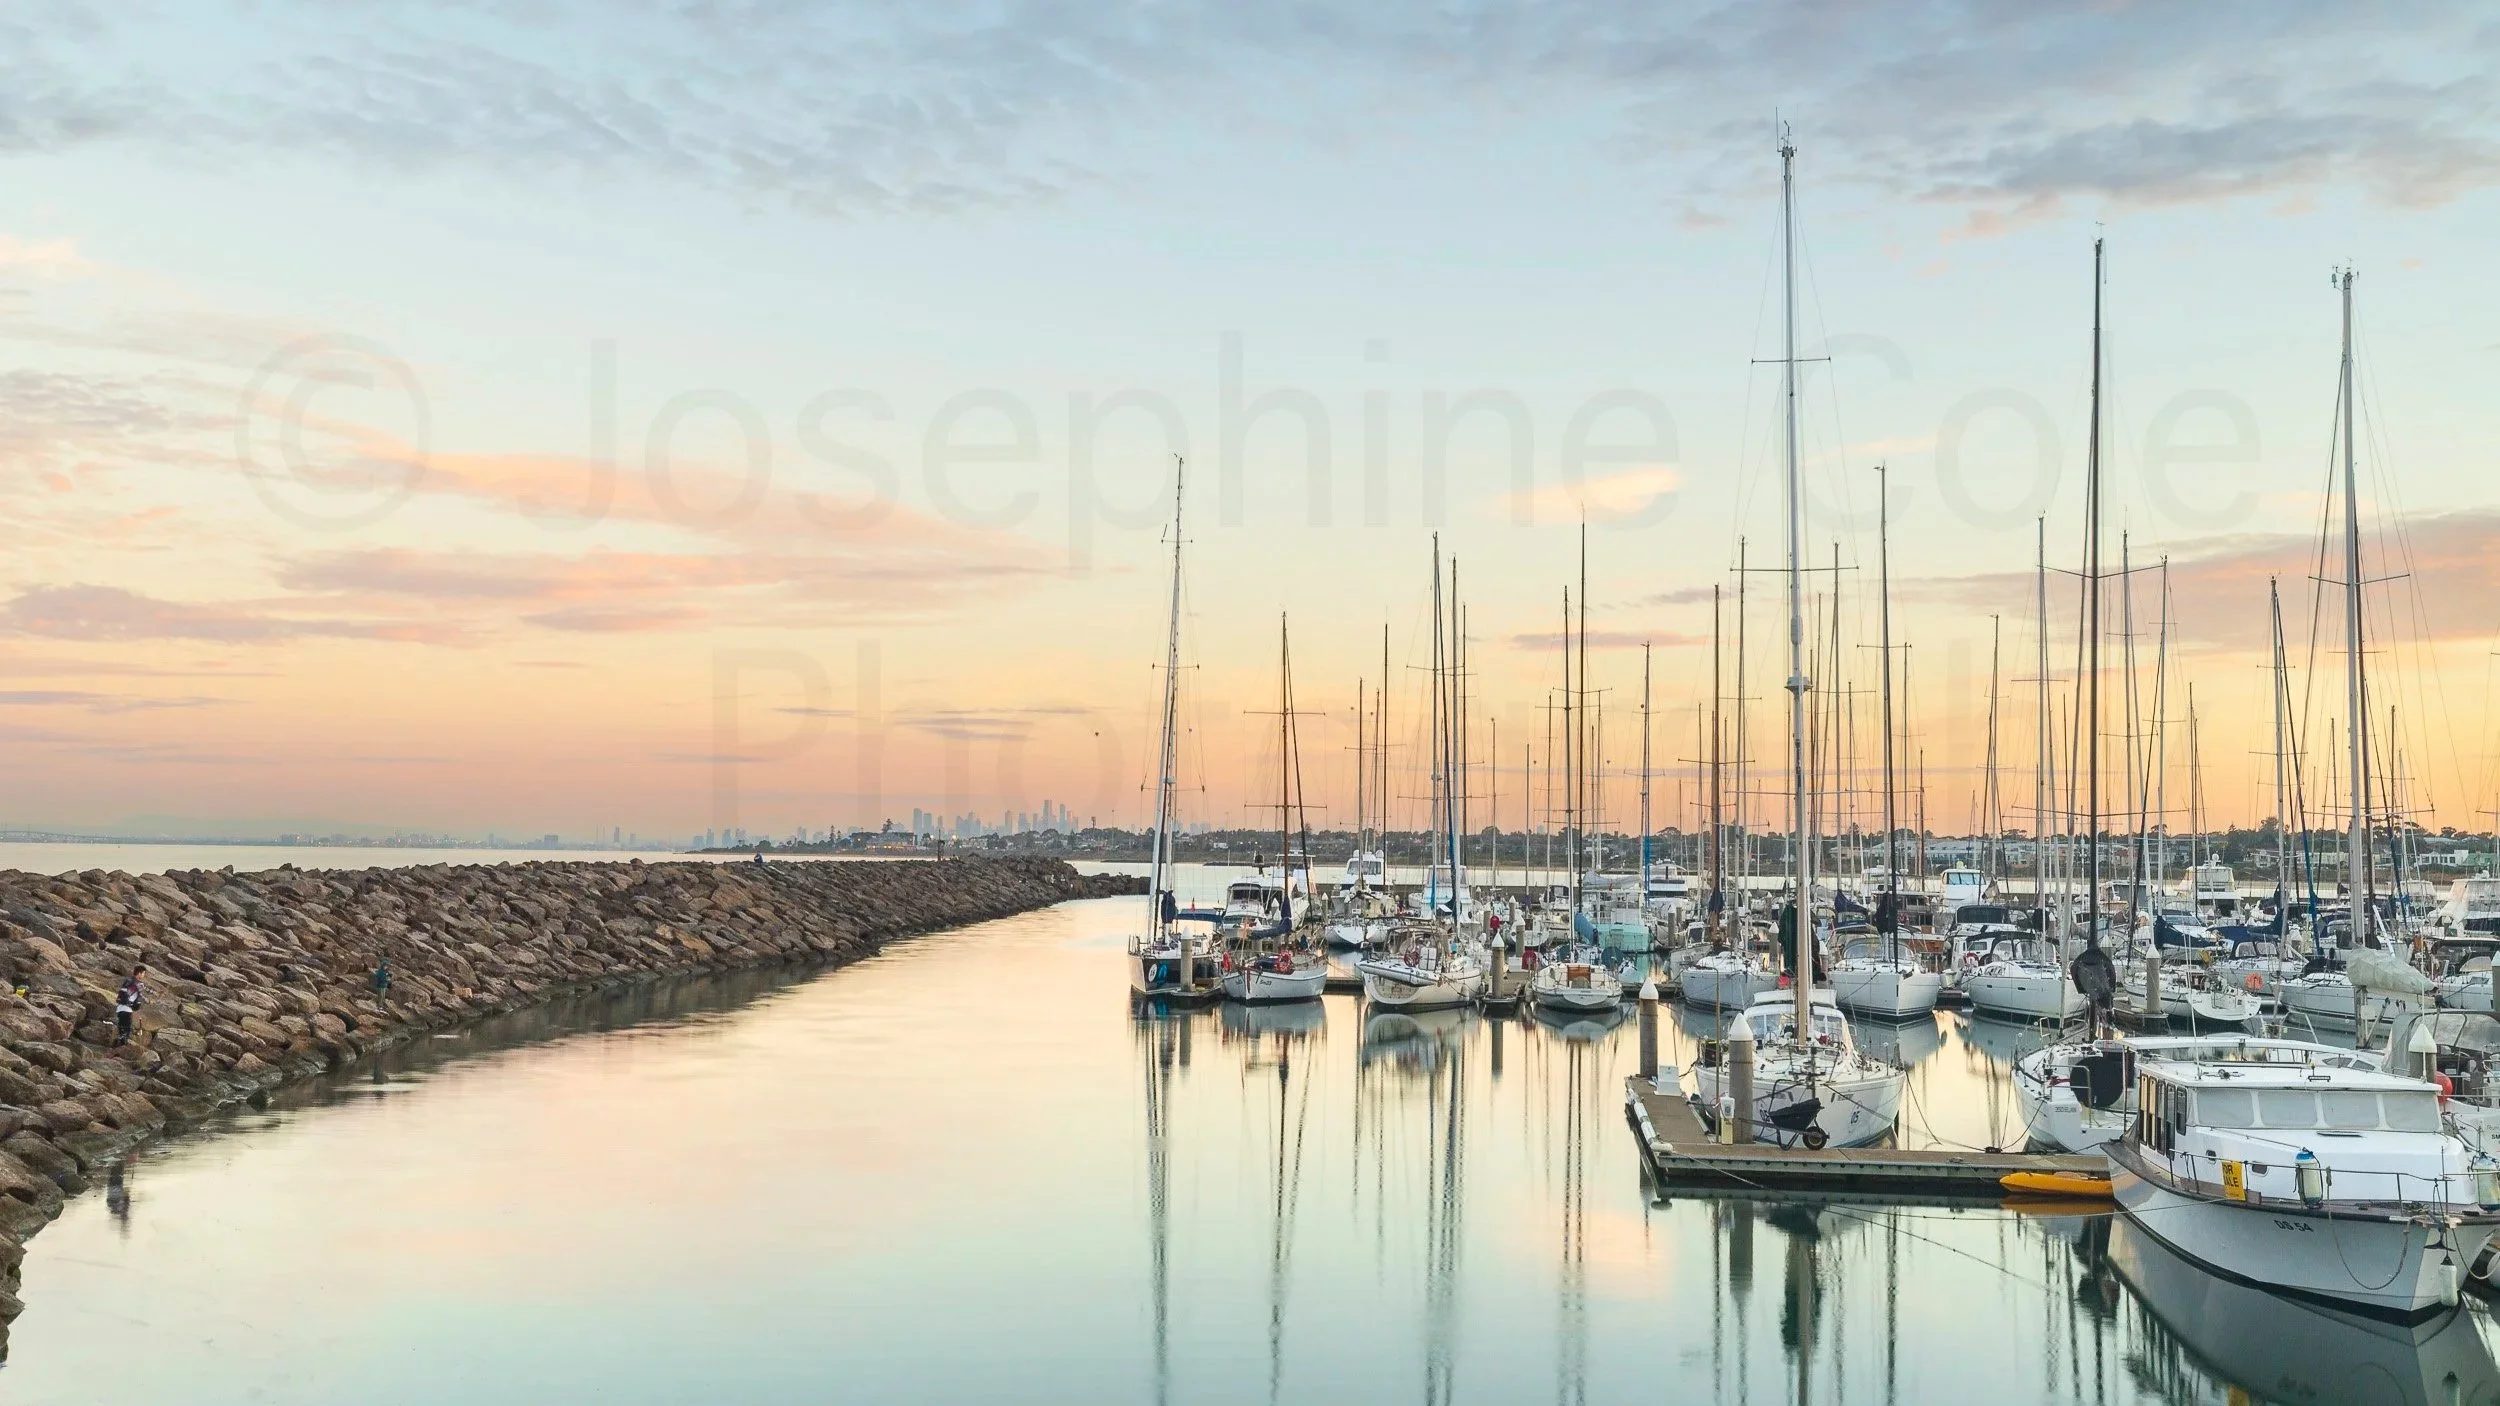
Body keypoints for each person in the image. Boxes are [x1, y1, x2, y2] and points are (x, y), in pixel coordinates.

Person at [113, 965, 145, 1046]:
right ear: (139, 973)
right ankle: (121, 1047)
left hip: (120, 1009)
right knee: (125, 1032)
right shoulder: (136, 984)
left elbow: (123, 995)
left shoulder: (127, 981)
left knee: (122, 1030)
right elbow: (129, 995)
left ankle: (118, 1047)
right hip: (126, 1010)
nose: (144, 975)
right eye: (143, 973)